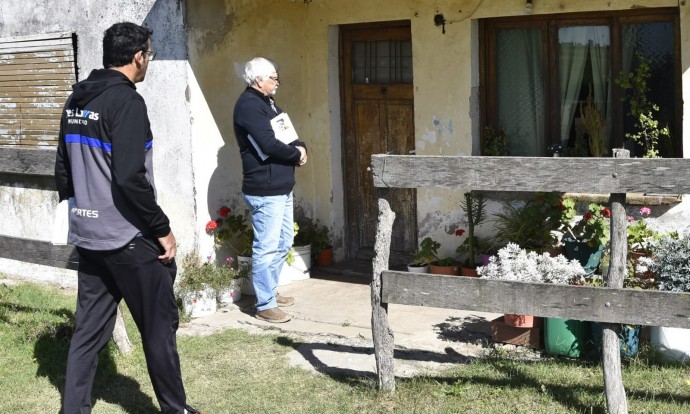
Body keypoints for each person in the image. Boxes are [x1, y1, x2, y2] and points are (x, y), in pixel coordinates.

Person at [55, 22, 201, 414]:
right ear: (138, 57)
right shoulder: (127, 102)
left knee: (87, 334)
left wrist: (84, 209)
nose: (148, 61)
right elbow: (130, 178)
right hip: (128, 239)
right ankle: (176, 409)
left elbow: (64, 168)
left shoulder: (76, 99)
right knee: (158, 331)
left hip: (89, 235)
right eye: (149, 55)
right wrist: (162, 229)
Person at [233, 57, 308, 323]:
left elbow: (285, 133)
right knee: (266, 247)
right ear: (258, 80)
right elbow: (267, 144)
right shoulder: (249, 106)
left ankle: (270, 292)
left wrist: (301, 148)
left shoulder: (268, 103)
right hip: (265, 189)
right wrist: (294, 155)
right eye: (273, 78)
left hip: (281, 186)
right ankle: (264, 304)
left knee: (284, 241)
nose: (277, 82)